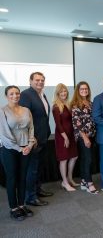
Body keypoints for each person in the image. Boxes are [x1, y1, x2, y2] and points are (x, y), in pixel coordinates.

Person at [0, 86, 36, 221]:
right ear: (6, 96)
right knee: (12, 178)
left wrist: (30, 144)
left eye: (17, 93)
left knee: (23, 177)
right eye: (11, 94)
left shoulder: (26, 110)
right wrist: (20, 148)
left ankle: (22, 204)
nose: (15, 96)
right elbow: (4, 134)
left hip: (26, 147)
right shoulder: (2, 111)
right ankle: (13, 208)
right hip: (10, 149)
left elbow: (31, 128)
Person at [19, 72, 52, 207]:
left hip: (43, 136)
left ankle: (37, 190)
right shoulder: (26, 95)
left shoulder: (42, 94)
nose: (40, 82)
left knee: (39, 168)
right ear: (30, 81)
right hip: (34, 140)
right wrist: (31, 138)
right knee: (32, 169)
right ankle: (30, 197)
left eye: (42, 80)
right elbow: (23, 118)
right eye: (37, 80)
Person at [71, 82, 98, 194]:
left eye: (86, 89)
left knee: (85, 159)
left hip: (92, 135)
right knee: (88, 159)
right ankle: (89, 183)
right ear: (78, 90)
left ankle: (83, 181)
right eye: (82, 89)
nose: (84, 91)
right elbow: (77, 123)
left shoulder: (90, 103)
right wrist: (85, 138)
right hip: (83, 136)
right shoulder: (75, 105)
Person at [52, 83, 78, 192]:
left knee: (74, 156)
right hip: (62, 136)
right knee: (64, 160)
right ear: (57, 93)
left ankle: (70, 178)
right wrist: (65, 138)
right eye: (61, 91)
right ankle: (65, 182)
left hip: (71, 135)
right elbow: (58, 124)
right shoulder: (56, 107)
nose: (64, 93)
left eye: (65, 91)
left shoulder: (68, 104)